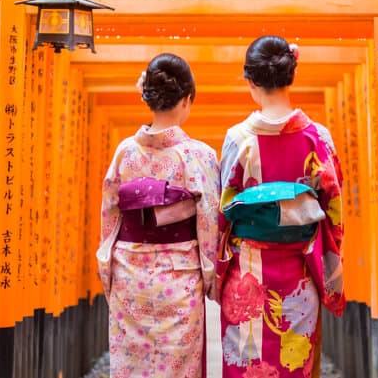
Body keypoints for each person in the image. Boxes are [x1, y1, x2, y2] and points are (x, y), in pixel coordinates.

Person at [217, 35, 345, 378]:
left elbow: (223, 212)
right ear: (292, 73)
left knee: (247, 366)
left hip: (247, 276)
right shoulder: (318, 138)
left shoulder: (237, 139)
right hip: (298, 277)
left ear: (250, 80)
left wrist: (216, 273)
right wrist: (327, 271)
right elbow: (334, 215)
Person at [97, 53, 220, 377]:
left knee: (131, 365)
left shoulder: (125, 152)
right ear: (187, 99)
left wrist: (107, 267)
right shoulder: (199, 155)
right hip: (179, 277)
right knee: (178, 367)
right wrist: (211, 278)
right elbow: (208, 222)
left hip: (129, 275)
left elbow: (110, 215)